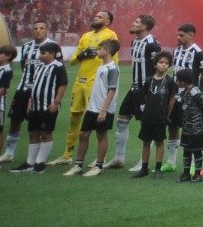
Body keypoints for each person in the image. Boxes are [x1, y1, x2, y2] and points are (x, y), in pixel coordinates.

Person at [60, 9, 117, 165]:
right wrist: (82, 55)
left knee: (95, 120)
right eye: (96, 15)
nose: (95, 17)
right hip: (80, 81)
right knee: (74, 117)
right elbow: (72, 61)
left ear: (107, 22)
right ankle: (67, 154)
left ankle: (100, 158)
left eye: (100, 16)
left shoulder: (110, 35)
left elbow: (113, 61)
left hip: (95, 83)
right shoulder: (85, 36)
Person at [2, 19, 57, 164]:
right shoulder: (26, 47)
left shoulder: (53, 47)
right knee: (15, 119)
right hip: (23, 88)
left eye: (41, 28)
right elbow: (23, 66)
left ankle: (37, 158)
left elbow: (57, 68)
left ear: (47, 30)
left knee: (38, 123)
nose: (38, 30)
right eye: (35, 28)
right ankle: (9, 152)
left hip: (42, 91)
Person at [113, 13, 160, 172]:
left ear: (144, 26)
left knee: (146, 125)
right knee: (122, 119)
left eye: (137, 22)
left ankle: (143, 161)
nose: (133, 23)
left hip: (146, 90)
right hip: (134, 88)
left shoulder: (152, 44)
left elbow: (159, 67)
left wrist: (153, 90)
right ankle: (119, 158)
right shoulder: (134, 42)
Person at [66, 39, 119, 177]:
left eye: (99, 49)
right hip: (92, 108)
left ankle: (99, 166)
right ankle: (78, 165)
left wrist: (103, 110)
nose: (97, 51)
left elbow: (112, 91)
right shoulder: (101, 66)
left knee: (101, 135)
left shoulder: (112, 68)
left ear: (107, 51)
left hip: (103, 109)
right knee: (83, 134)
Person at [12, 41, 66, 173]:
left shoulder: (58, 66)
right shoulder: (39, 67)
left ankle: (40, 163)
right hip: (35, 106)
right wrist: (30, 103)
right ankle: (30, 163)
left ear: (52, 54)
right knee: (33, 133)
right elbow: (35, 85)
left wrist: (56, 102)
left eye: (43, 53)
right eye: (40, 53)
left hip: (48, 106)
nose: (40, 56)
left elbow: (63, 84)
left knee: (46, 133)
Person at [165, 22, 203, 171]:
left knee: (189, 129)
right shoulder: (176, 51)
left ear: (191, 35)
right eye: (178, 34)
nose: (178, 37)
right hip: (174, 96)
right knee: (172, 127)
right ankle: (171, 162)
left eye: (181, 35)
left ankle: (191, 165)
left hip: (189, 98)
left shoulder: (198, 52)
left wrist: (198, 91)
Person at [134, 52, 176, 179]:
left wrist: (166, 115)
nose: (164, 65)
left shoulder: (169, 81)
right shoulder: (148, 80)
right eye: (161, 62)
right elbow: (146, 97)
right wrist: (145, 112)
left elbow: (172, 99)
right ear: (155, 64)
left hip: (161, 117)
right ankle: (144, 168)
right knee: (146, 142)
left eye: (167, 63)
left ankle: (158, 168)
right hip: (147, 117)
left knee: (159, 142)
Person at [173, 69, 203, 182]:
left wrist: (201, 118)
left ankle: (197, 174)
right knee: (186, 149)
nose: (177, 82)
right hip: (187, 126)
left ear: (183, 82)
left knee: (196, 150)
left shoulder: (195, 92)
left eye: (178, 80)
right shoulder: (184, 92)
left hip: (196, 127)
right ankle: (186, 174)